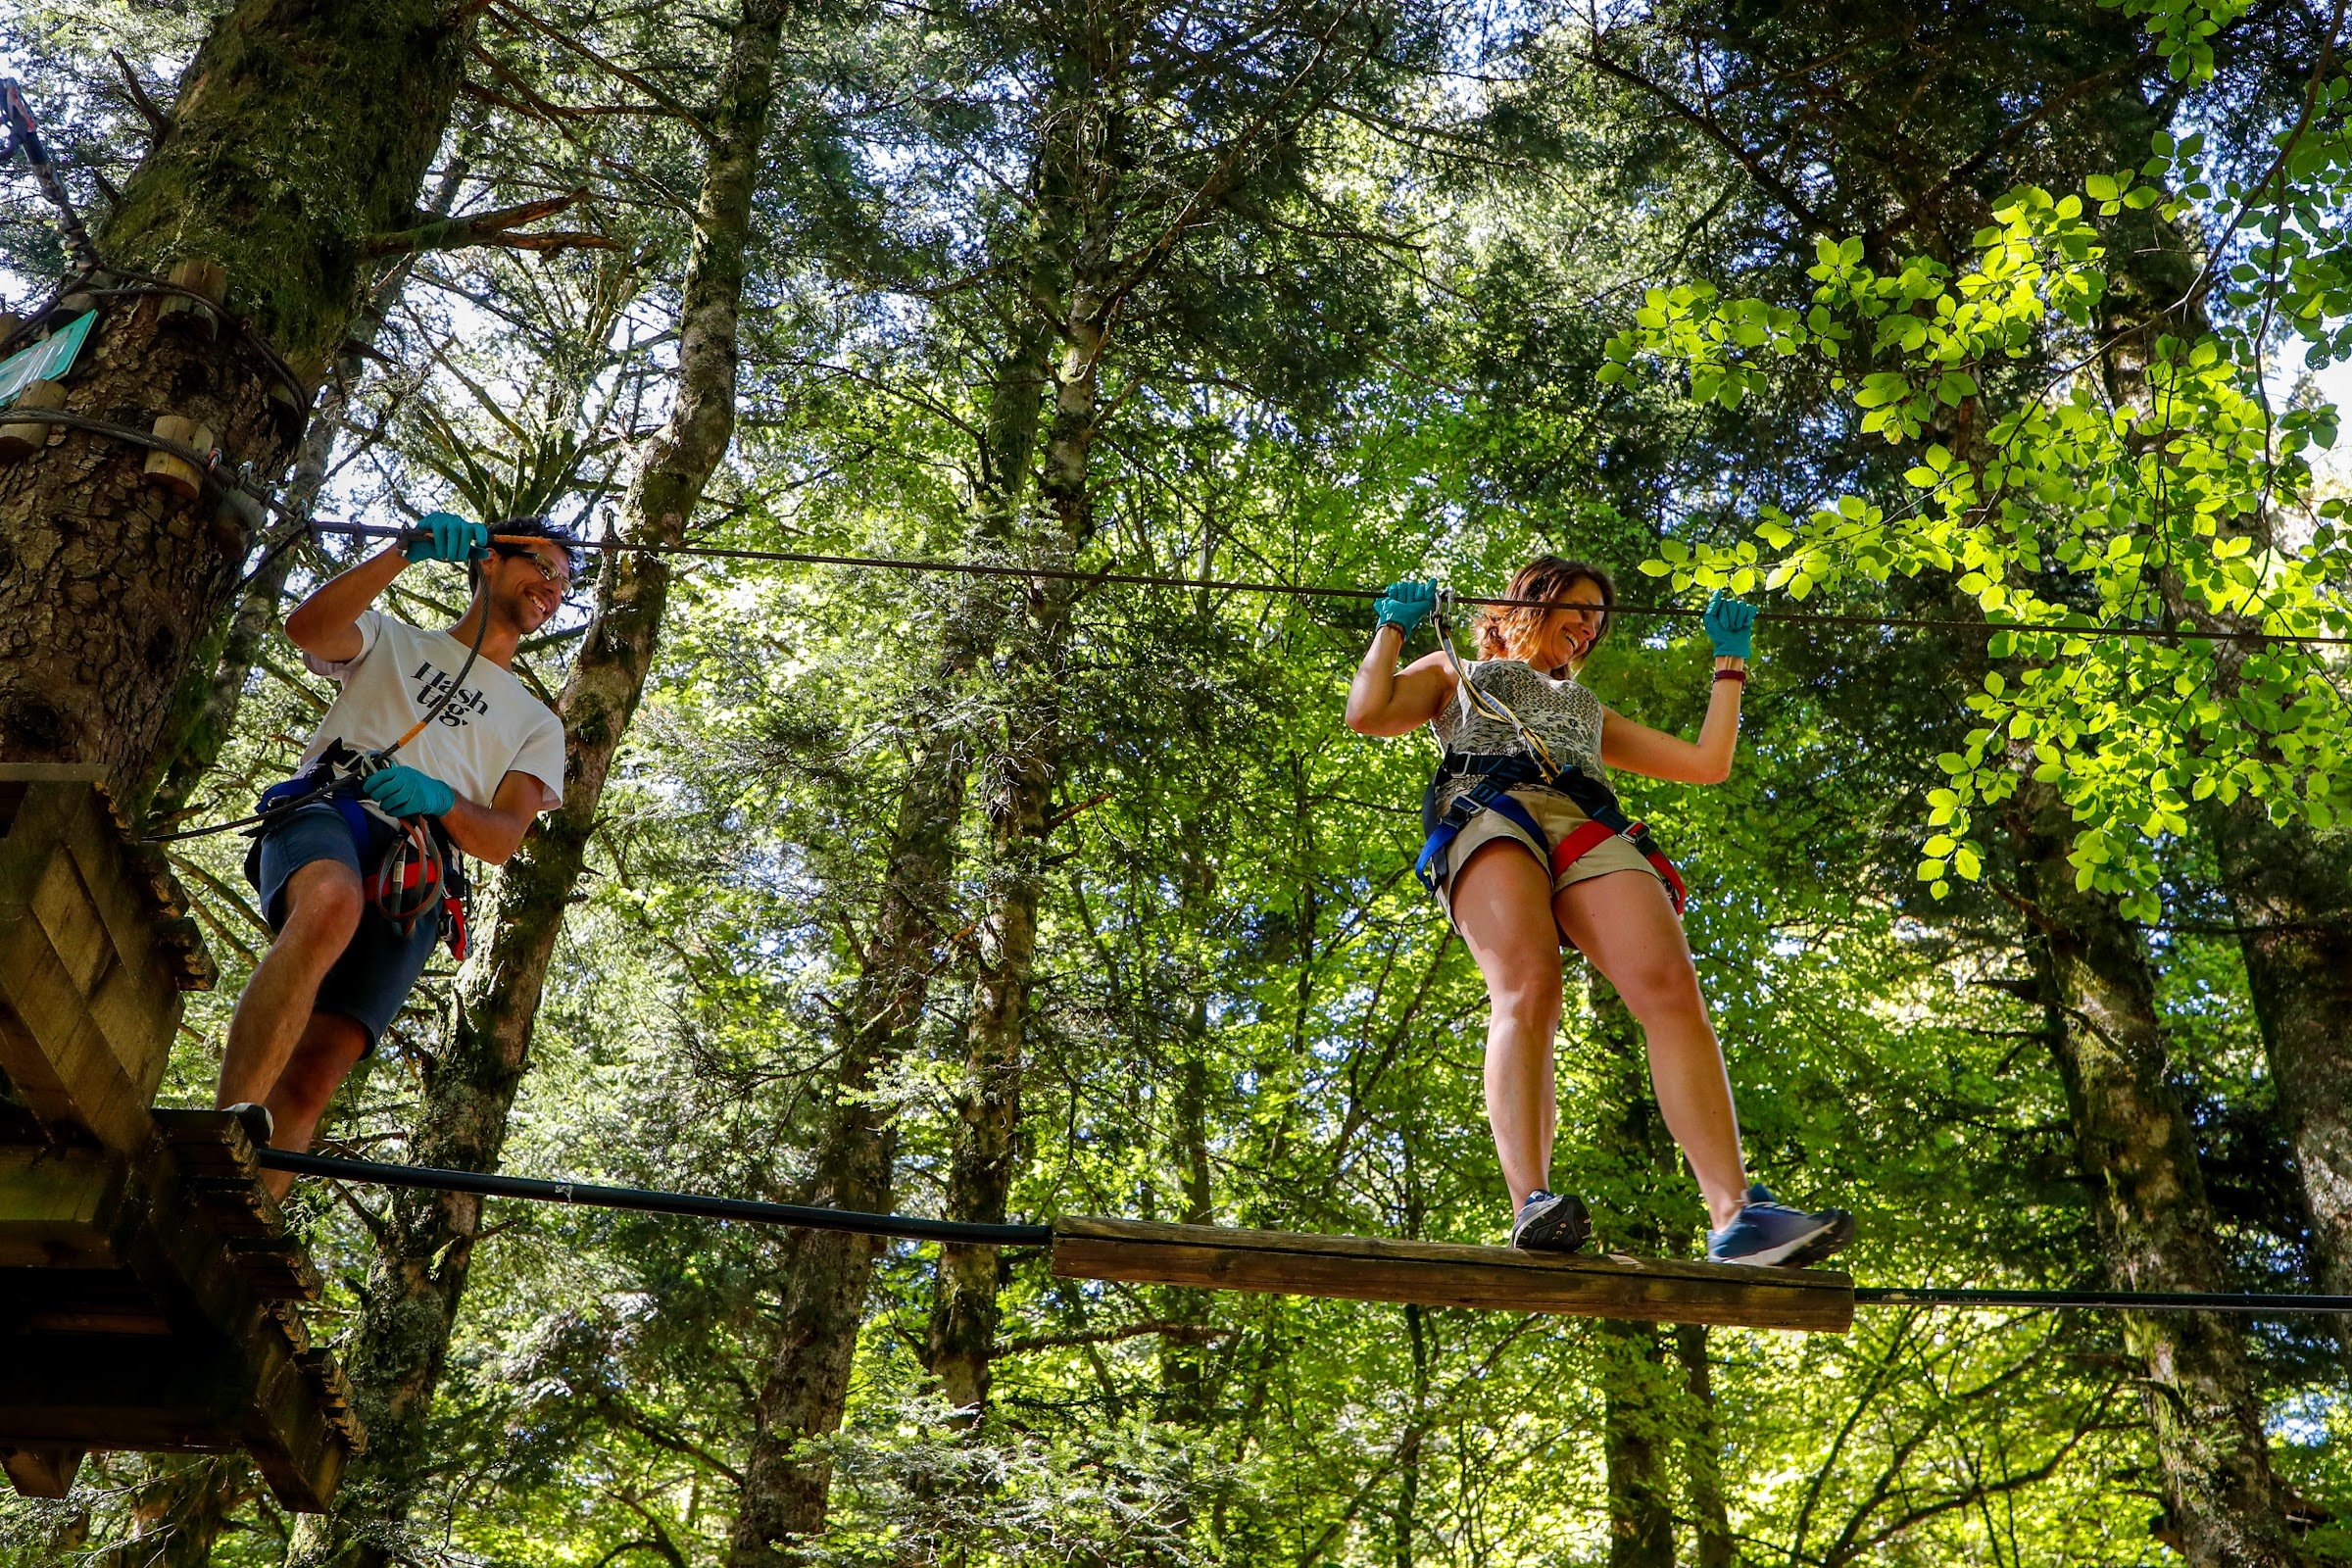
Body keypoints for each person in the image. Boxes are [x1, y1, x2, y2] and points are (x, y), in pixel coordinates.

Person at [1344, 556, 1852, 1267]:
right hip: (1490, 810)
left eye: (1598, 621)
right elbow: (1367, 713)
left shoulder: (1586, 708)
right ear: (1532, 603)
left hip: (1585, 823)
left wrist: (1730, 663)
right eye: (1579, 609)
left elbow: (1707, 762)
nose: (1589, 628)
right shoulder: (1456, 670)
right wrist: (1391, 630)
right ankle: (1533, 1202)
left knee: (1672, 991)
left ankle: (1736, 1215)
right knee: (1528, 989)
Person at [216, 511, 573, 1195]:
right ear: (489, 560)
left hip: (416, 870)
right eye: (541, 567)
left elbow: (500, 840)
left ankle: (242, 1212)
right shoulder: (391, 639)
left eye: (563, 581)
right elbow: (308, 630)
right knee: (328, 903)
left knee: (320, 1069)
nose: (553, 587)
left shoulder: (536, 723)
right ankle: (227, 1124)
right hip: (333, 808)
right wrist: (401, 553)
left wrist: (439, 798)